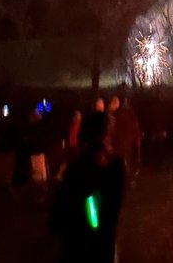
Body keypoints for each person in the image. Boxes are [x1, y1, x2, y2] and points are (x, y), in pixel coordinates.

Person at [49, 112, 126, 263]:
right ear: (103, 134)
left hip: (80, 244)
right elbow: (98, 217)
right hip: (91, 245)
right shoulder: (110, 168)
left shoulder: (77, 168)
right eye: (112, 127)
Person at [111, 97, 142, 181]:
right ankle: (128, 176)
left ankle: (127, 176)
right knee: (127, 159)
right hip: (125, 141)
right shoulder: (124, 114)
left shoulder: (120, 115)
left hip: (124, 141)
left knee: (126, 159)